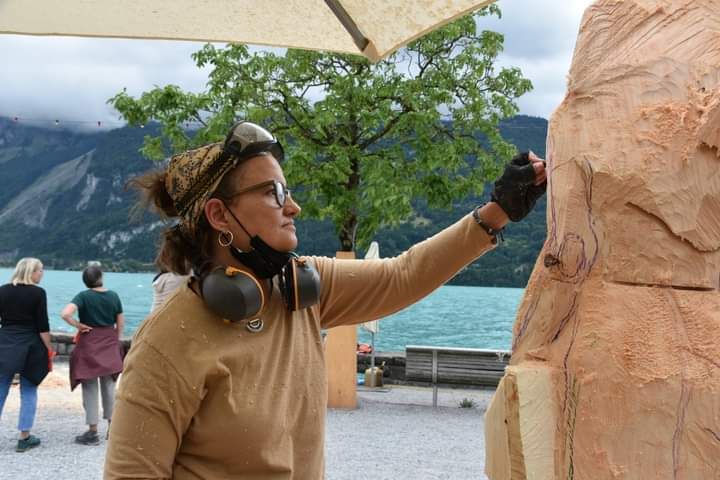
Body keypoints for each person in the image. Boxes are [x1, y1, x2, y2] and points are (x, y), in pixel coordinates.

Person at [104, 121, 546, 478]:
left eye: (288, 191)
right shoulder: (164, 345)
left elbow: (402, 275)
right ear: (219, 215)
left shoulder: (299, 289)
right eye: (273, 193)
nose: (293, 206)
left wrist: (498, 210)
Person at [61, 264, 124, 445]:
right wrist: (116, 340)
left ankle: (93, 432)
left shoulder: (83, 296)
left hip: (89, 343)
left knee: (89, 387)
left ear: (85, 281)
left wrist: (78, 325)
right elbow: (120, 322)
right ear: (101, 277)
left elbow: (65, 313)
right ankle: (113, 430)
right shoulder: (113, 296)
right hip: (109, 341)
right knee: (109, 386)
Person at [0, 257, 52, 453]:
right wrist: (48, 348)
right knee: (29, 390)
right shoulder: (38, 293)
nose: (42, 273)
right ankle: (24, 438)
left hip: (4, 343)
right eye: (40, 270)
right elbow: (43, 325)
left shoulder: (2, 290)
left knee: (0, 388)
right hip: (31, 346)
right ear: (31, 272)